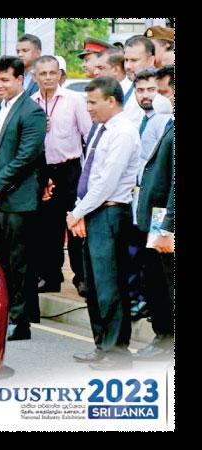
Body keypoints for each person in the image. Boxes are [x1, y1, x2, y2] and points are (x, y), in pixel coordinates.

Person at [68, 77, 142, 370]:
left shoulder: (123, 132)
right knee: (95, 285)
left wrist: (77, 213)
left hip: (110, 213)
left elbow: (107, 182)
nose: (88, 109)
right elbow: (91, 176)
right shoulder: (102, 129)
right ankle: (102, 345)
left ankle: (117, 352)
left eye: (93, 102)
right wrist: (80, 211)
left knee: (110, 285)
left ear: (111, 100)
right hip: (93, 211)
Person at [0, 56, 47, 341]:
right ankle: (5, 314)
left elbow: (26, 157)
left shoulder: (32, 112)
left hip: (18, 199)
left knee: (21, 263)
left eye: (6, 80)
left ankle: (22, 320)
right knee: (1, 260)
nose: (0, 85)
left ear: (21, 80)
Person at [30, 55, 93, 297]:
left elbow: (88, 135)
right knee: (47, 226)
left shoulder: (74, 100)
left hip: (70, 168)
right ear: (35, 76)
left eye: (52, 73)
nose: (47, 78)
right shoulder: (31, 102)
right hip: (43, 169)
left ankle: (81, 277)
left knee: (75, 222)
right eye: (42, 73)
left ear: (59, 75)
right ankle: (50, 275)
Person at [132, 64, 174, 361]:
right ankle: (163, 335)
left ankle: (166, 338)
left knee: (165, 280)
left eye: (164, 91)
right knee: (156, 277)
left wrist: (167, 227)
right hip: (158, 214)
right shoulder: (170, 121)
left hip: (165, 216)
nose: (161, 97)